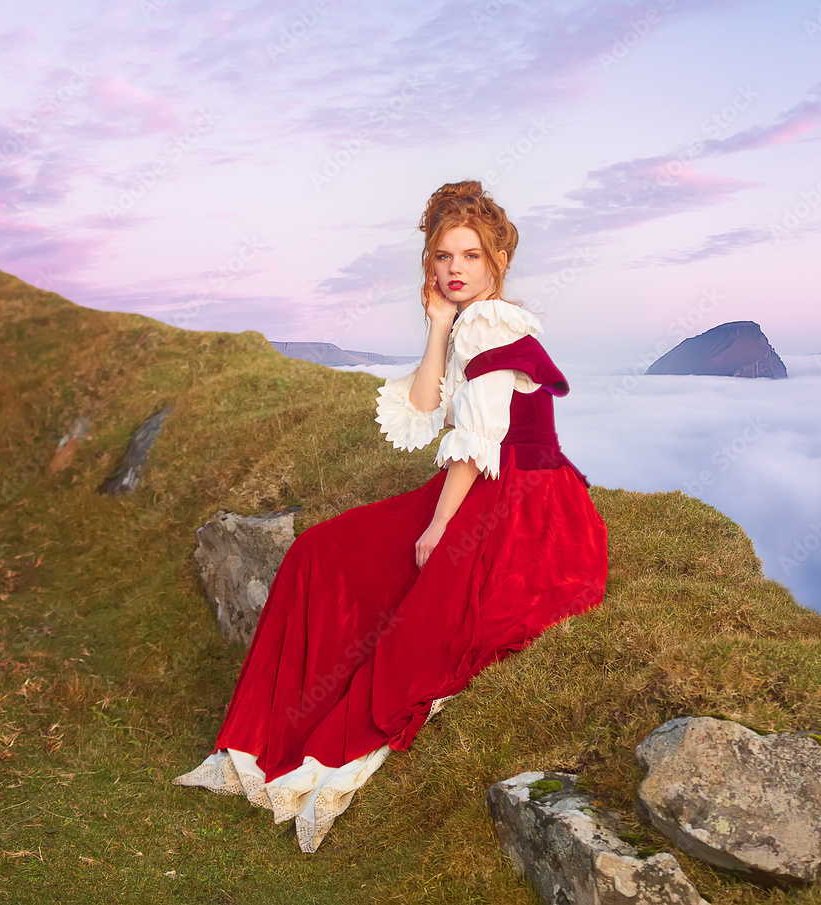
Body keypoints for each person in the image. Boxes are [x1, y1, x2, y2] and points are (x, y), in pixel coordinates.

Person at [173, 180, 608, 852]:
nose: (453, 267)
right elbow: (429, 405)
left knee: (399, 595)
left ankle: (285, 740)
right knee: (321, 549)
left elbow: (476, 442)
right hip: (511, 486)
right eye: (442, 255)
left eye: (469, 254)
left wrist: (437, 527)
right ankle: (257, 737)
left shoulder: (492, 323)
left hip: (516, 503)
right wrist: (436, 325)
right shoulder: (468, 323)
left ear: (496, 263)